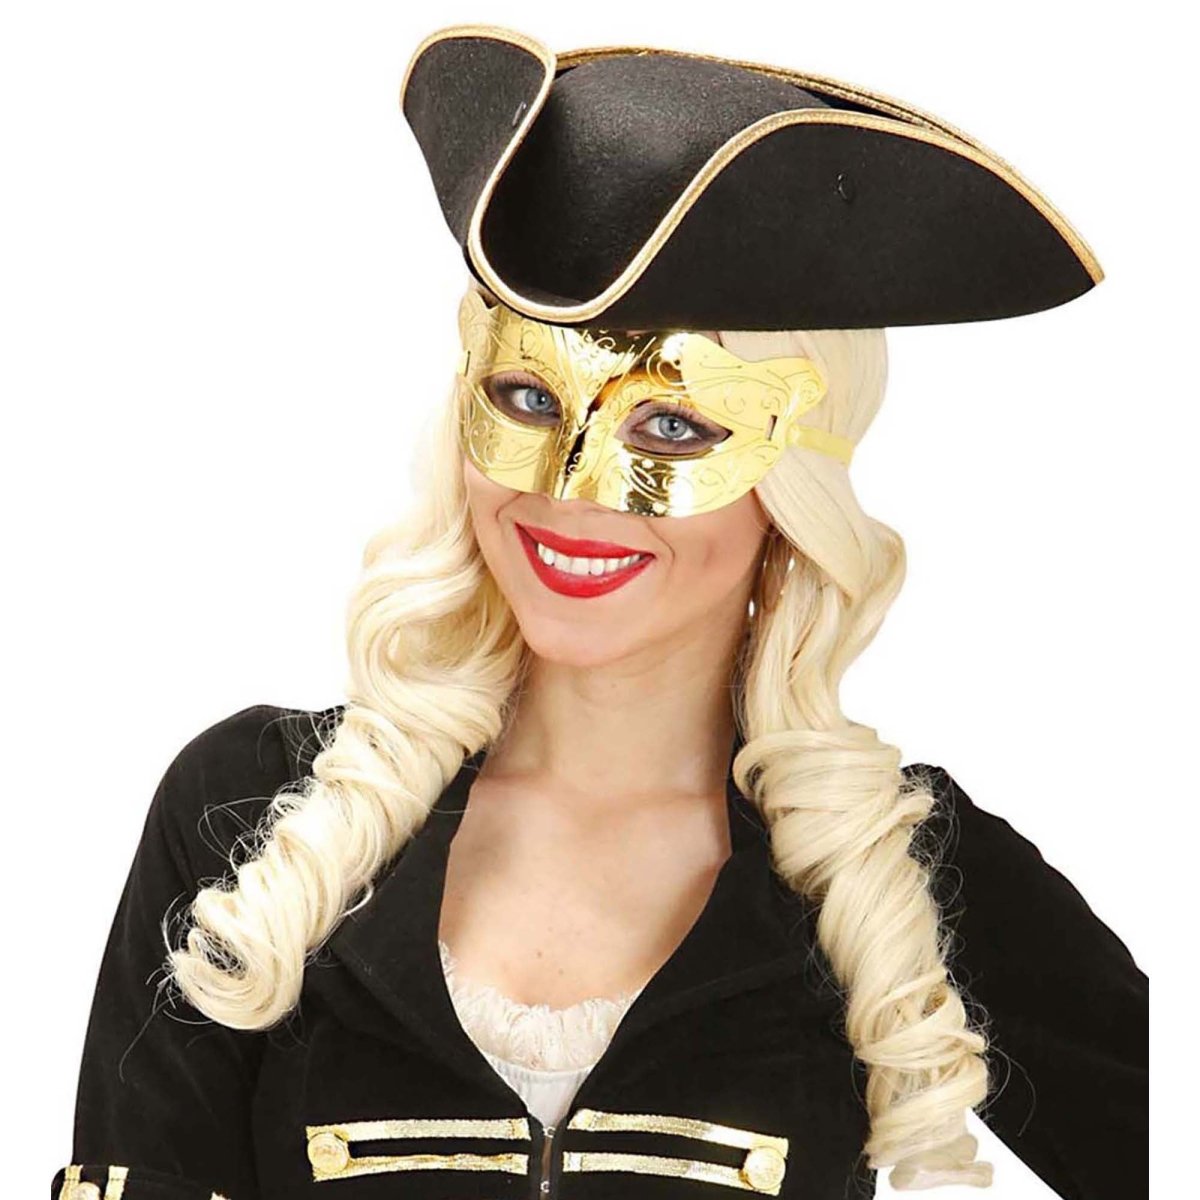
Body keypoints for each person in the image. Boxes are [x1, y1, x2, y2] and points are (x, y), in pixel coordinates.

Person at [51, 23, 1147, 1200]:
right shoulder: (257, 819)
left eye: (671, 427)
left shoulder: (887, 874)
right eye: (528, 397)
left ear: (794, 488)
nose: (571, 492)